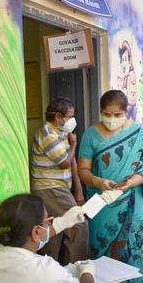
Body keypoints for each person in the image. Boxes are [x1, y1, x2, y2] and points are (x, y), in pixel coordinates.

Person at [77, 89, 143, 280]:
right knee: (101, 246)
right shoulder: (91, 135)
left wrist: (130, 183)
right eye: (107, 114)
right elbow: (82, 169)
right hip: (101, 203)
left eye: (118, 115)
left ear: (126, 112)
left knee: (132, 245)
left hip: (131, 201)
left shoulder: (138, 132)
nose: (112, 119)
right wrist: (97, 181)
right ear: (100, 111)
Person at [0, 194, 95, 283]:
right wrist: (87, 272)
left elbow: (26, 239)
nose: (50, 223)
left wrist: (63, 222)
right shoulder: (43, 271)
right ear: (35, 232)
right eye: (47, 220)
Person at [30, 97, 88, 265]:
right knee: (79, 224)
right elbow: (64, 163)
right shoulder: (46, 133)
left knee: (53, 235)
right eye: (69, 116)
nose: (72, 120)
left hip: (59, 189)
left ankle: (51, 272)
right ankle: (77, 271)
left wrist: (78, 189)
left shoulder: (60, 133)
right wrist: (74, 144)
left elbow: (72, 161)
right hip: (50, 188)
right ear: (57, 117)